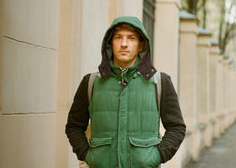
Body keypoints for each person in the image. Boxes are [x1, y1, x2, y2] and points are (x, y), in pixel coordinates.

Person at [65, 16, 186, 168]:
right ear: (110, 43)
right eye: (118, 38)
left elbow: (177, 128)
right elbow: (74, 126)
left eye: (131, 38)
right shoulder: (91, 82)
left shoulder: (160, 82)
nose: (124, 44)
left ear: (141, 45)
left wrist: (156, 157)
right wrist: (88, 155)